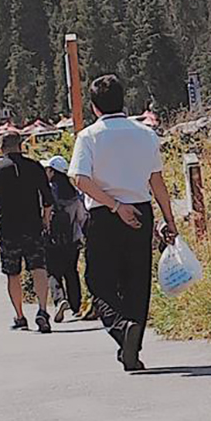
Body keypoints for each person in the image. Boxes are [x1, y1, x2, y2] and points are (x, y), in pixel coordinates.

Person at [68, 75, 176, 371]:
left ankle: (119, 327)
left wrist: (115, 206)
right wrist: (169, 219)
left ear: (94, 107)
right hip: (141, 211)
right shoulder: (144, 134)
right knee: (137, 281)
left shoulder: (89, 136)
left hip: (105, 213)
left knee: (98, 280)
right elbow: (157, 181)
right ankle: (133, 346)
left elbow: (79, 179)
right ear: (123, 100)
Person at [0, 126, 54, 332]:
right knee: (39, 267)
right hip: (33, 226)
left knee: (13, 273)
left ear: (2, 148)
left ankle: (20, 316)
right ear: (21, 145)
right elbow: (48, 200)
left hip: (9, 228)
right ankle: (43, 310)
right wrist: (45, 221)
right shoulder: (35, 167)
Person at [44, 155, 87, 320]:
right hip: (72, 239)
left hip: (52, 239)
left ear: (52, 172)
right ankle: (76, 306)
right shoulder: (74, 194)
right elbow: (82, 217)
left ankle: (59, 300)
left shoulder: (47, 193)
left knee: (53, 272)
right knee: (71, 272)